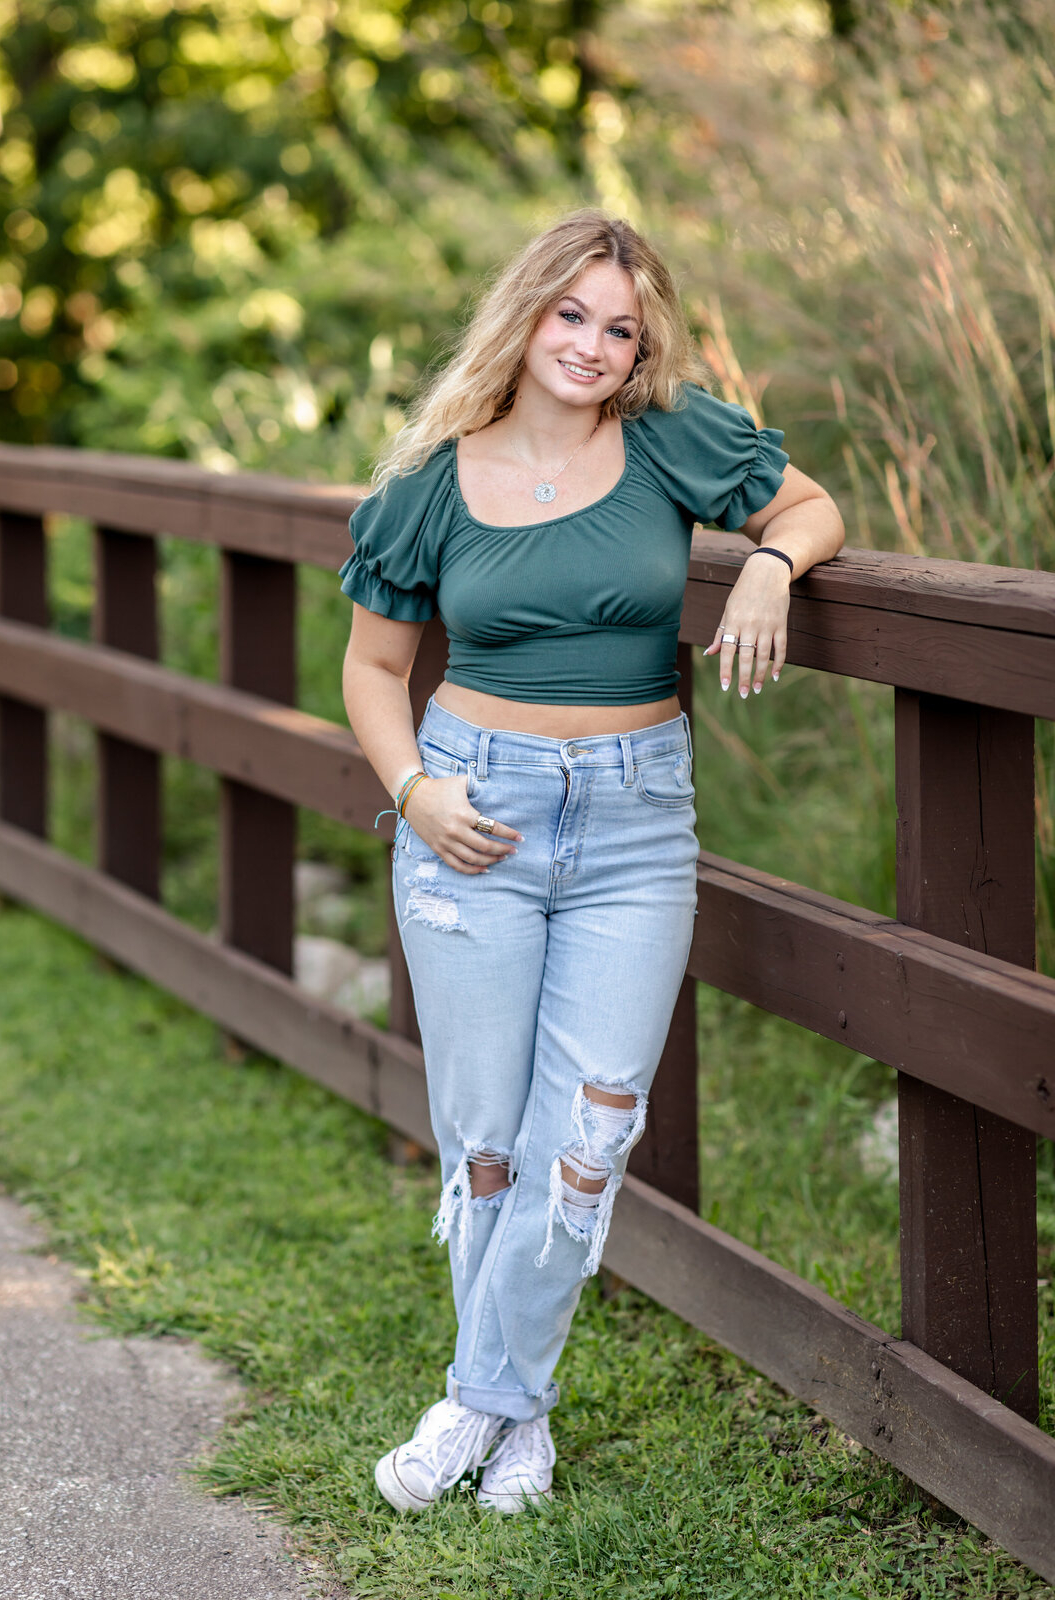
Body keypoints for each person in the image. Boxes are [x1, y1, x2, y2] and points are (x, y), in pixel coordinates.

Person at [339, 209, 845, 1515]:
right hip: (473, 816)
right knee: (490, 1138)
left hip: (633, 823)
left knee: (595, 1127)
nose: (594, 344)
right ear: (526, 315)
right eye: (571, 315)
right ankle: (517, 1422)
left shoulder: (674, 438)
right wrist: (413, 789)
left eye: (620, 326)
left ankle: (478, 1403)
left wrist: (770, 567)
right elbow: (373, 669)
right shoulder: (429, 485)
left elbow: (809, 504)